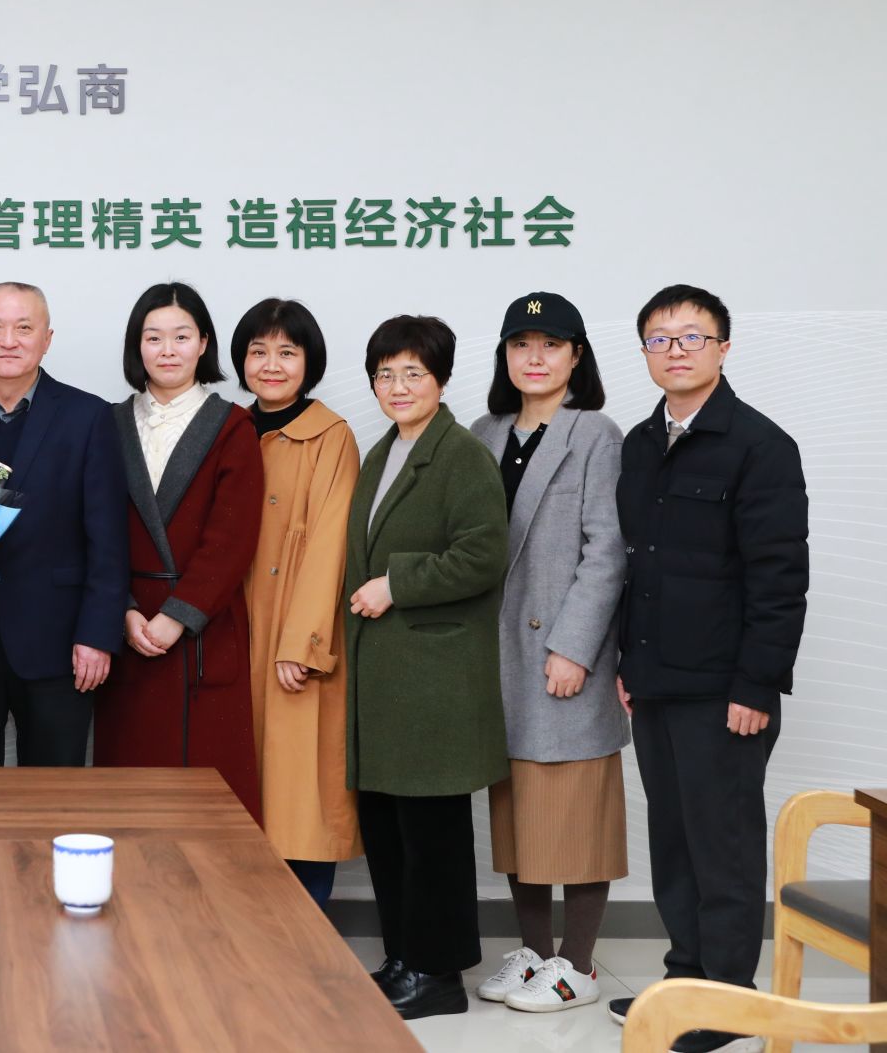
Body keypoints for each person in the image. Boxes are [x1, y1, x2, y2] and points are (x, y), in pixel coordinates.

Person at [607, 285, 808, 1053]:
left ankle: (726, 1001)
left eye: (692, 335)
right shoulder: (639, 443)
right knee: (674, 839)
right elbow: (635, 564)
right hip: (654, 678)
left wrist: (756, 684)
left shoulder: (759, 445)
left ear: (724, 347)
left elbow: (779, 576)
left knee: (722, 844)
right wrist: (625, 659)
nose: (676, 349)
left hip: (725, 689)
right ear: (646, 353)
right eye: (660, 338)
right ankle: (685, 979)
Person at [465, 293, 628, 1014]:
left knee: (576, 806)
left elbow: (607, 551)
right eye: (521, 344)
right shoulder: (484, 431)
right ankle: (535, 954)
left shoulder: (595, 433)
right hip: (495, 651)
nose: (535, 357)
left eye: (551, 344)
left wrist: (574, 648)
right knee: (518, 813)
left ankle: (579, 963)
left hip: (562, 650)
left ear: (576, 355)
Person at [343, 315, 509, 1021]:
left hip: (433, 678)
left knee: (432, 833)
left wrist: (396, 583)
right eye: (385, 374)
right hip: (385, 675)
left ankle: (438, 974)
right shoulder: (383, 452)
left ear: (440, 378)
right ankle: (404, 957)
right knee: (389, 827)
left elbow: (483, 554)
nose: (398, 386)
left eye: (413, 372)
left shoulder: (462, 454)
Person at [0, 282, 128, 768]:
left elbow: (108, 540)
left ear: (47, 339)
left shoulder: (88, 415)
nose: (8, 340)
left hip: (58, 640)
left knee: (55, 792)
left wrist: (98, 635)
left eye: (24, 328)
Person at [94, 283, 264, 817]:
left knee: (206, 801)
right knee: (130, 797)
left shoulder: (233, 425)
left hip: (200, 629)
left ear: (203, 344)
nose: (167, 350)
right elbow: (95, 529)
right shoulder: (108, 423)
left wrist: (177, 617)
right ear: (137, 346)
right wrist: (122, 608)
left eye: (181, 337)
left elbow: (232, 539)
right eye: (154, 337)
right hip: (127, 627)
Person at [232, 297, 361, 907]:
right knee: (240, 789)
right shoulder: (228, 428)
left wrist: (302, 645)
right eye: (258, 351)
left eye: (287, 352)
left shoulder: (331, 436)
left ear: (309, 363)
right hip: (233, 634)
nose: (271, 365)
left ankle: (305, 938)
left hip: (294, 639)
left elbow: (331, 544)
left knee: (299, 797)